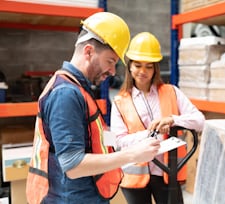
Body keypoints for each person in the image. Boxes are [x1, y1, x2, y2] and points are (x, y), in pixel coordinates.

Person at [26, 13, 161, 204]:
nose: (113, 71)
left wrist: (130, 141)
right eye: (110, 61)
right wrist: (133, 155)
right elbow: (73, 165)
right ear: (88, 52)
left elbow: (93, 135)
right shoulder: (65, 94)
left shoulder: (79, 88)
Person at [110, 32, 205, 204]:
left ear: (155, 68)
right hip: (135, 176)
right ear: (130, 66)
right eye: (138, 65)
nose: (143, 71)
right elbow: (118, 141)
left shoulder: (171, 91)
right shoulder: (119, 101)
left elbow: (200, 121)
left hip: (167, 172)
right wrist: (150, 134)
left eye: (149, 66)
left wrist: (173, 120)